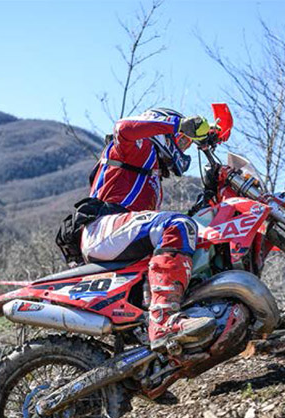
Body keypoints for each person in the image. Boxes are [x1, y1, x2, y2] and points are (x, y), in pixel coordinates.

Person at [79, 108, 215, 353]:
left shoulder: (153, 173)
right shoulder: (137, 148)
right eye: (181, 140)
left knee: (193, 232)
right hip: (102, 228)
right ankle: (163, 322)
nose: (182, 147)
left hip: (119, 236)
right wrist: (178, 124)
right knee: (177, 224)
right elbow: (122, 128)